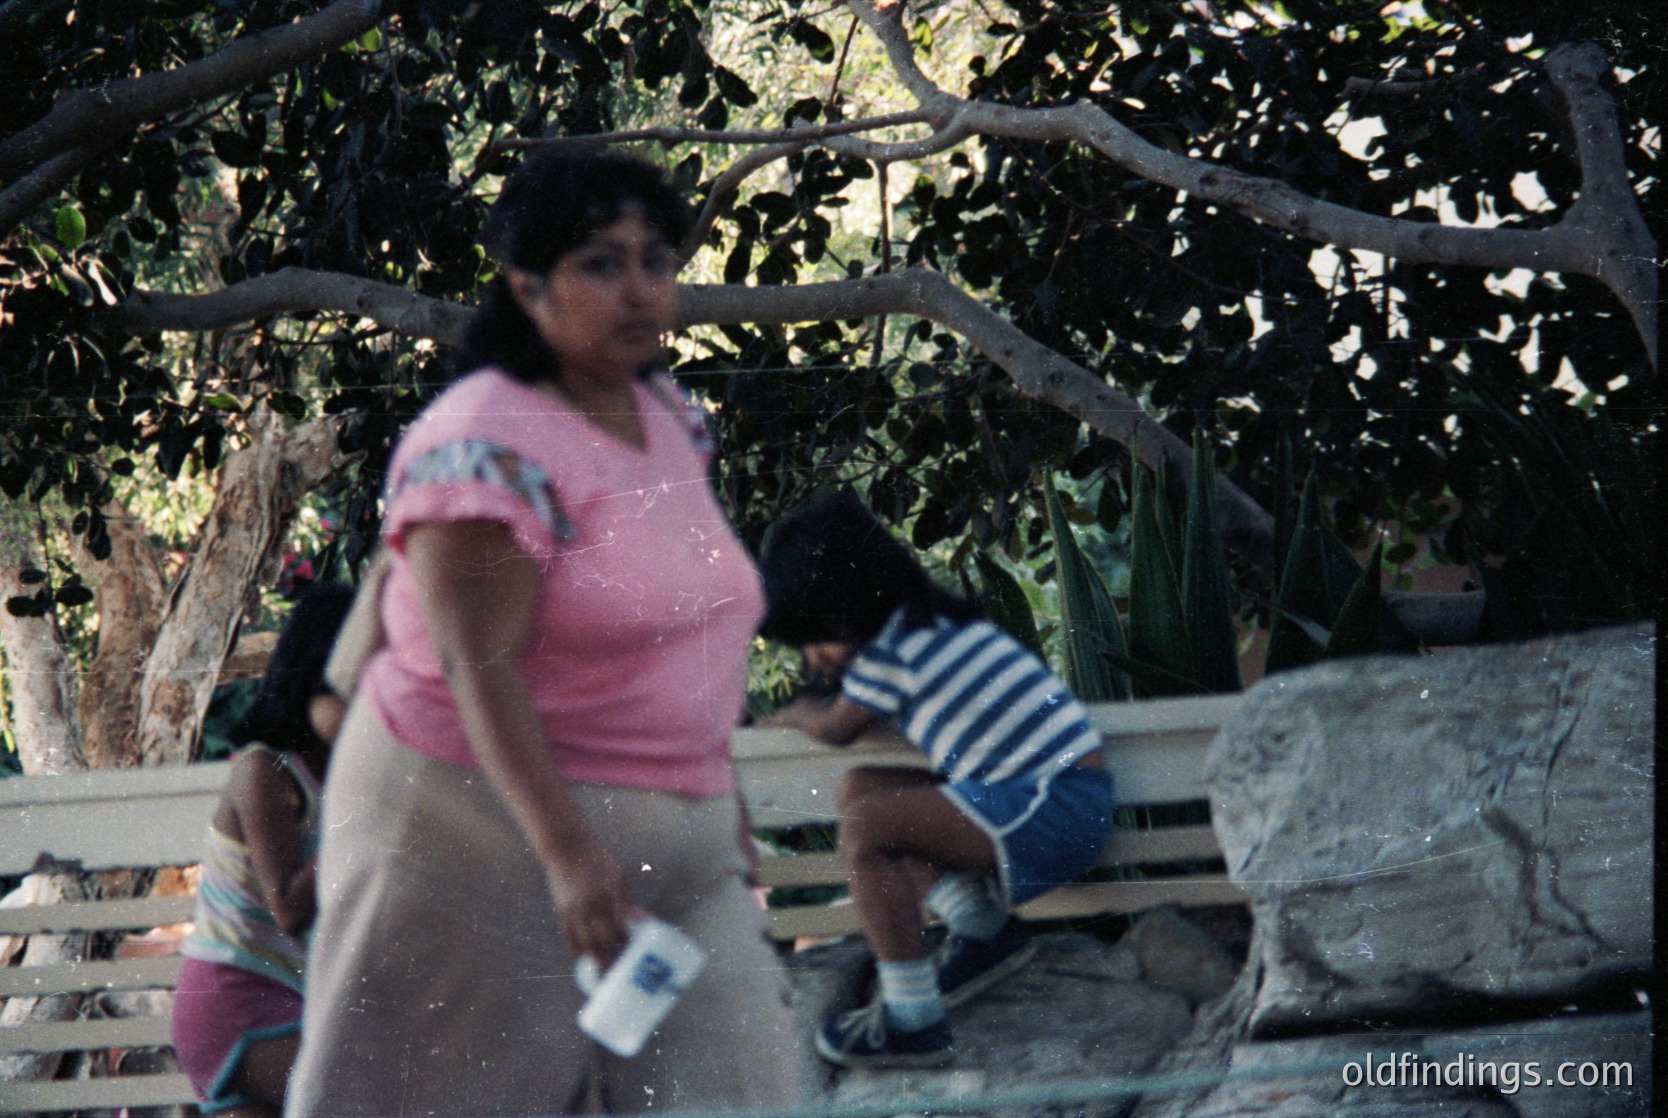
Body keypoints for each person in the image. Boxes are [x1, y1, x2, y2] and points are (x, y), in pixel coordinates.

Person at [285, 148, 807, 1117]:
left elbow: (687, 634)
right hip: (470, 831)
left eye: (657, 259)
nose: (641, 289)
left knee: (748, 1087)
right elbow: (474, 658)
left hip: (678, 846)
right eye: (602, 264)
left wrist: (719, 795)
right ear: (528, 285)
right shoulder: (480, 439)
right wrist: (569, 853)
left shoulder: (668, 416)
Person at [758, 490, 1115, 1070]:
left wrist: (793, 713)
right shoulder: (932, 625)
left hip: (1050, 807)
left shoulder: (892, 651)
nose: (814, 659)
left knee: (868, 827)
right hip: (1060, 801)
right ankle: (982, 928)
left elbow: (835, 729)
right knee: (863, 790)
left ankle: (913, 1020)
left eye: (815, 637)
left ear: (848, 609)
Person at [172, 583, 356, 1117]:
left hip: (296, 1000)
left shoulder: (342, 775)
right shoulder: (265, 771)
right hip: (236, 1000)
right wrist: (369, 815)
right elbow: (290, 907)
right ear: (316, 680)